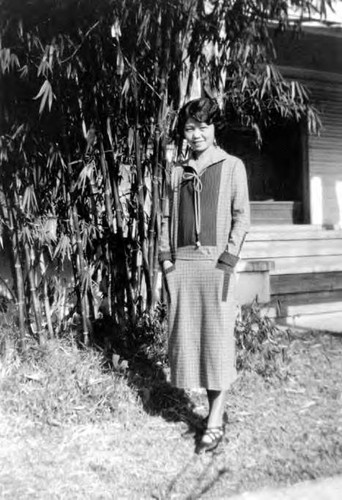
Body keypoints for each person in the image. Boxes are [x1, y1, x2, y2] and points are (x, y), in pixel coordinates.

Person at [159, 97, 250, 453]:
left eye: (203, 127)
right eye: (189, 128)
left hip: (216, 266)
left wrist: (228, 259)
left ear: (215, 129)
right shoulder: (175, 172)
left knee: (217, 342)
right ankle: (208, 412)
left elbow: (242, 217)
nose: (196, 134)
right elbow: (164, 219)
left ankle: (215, 420)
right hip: (182, 267)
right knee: (189, 341)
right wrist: (167, 262)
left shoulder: (232, 166)